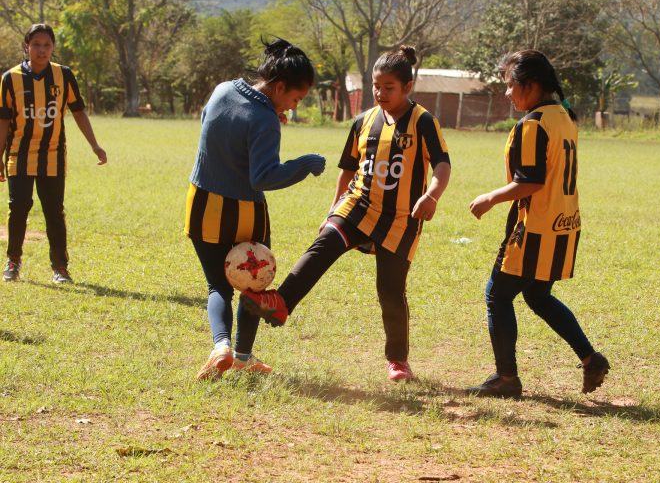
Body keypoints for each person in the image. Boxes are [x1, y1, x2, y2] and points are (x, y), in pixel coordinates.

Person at [241, 46, 451, 382]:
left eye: (389, 88)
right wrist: (333, 208)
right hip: (358, 205)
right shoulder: (362, 121)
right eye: (376, 86)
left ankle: (398, 360)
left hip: (400, 218)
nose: (380, 93)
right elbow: (348, 169)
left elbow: (442, 163)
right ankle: (280, 302)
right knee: (324, 243)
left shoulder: (424, 122)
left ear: (407, 88)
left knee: (390, 290)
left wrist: (432, 194)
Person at [465, 50, 609, 399]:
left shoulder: (532, 124)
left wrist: (490, 198)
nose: (507, 93)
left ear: (530, 86)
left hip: (535, 228)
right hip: (564, 224)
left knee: (497, 296)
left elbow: (530, 181)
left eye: (510, 86)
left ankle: (506, 379)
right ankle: (591, 359)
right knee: (537, 295)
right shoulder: (565, 116)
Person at [185, 38, 326, 381]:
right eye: (294, 99)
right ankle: (243, 356)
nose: (291, 107)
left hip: (202, 203)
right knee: (254, 286)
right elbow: (263, 176)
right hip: (245, 212)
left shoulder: (221, 90)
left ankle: (221, 346)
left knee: (217, 286)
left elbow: (210, 122)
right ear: (279, 86)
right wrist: (304, 163)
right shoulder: (265, 119)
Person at [0, 23, 107, 284]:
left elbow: (78, 111)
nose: (41, 50)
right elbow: (3, 120)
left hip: (53, 155)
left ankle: (60, 267)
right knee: (19, 207)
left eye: (47, 45)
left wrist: (94, 144)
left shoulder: (64, 75)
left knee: (54, 211)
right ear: (26, 47)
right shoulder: (10, 78)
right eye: (36, 44)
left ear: (53, 48)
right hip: (19, 152)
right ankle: (13, 261)